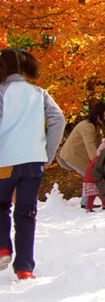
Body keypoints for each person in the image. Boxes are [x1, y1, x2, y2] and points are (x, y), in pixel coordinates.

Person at [0, 48, 65, 279]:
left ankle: (3, 247)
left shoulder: (2, 92)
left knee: (0, 206)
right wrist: (48, 153)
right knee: (26, 212)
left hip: (5, 162)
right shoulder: (39, 93)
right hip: (33, 162)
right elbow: (59, 119)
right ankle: (25, 267)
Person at [57, 101, 105, 208]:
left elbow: (98, 143)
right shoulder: (87, 127)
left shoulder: (95, 126)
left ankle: (86, 202)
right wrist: (97, 163)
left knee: (90, 176)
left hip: (80, 156)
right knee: (94, 175)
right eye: (104, 116)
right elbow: (90, 146)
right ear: (98, 114)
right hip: (72, 156)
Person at [82, 138, 105, 212]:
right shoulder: (99, 161)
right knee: (92, 195)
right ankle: (88, 207)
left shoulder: (96, 159)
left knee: (100, 192)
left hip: (92, 179)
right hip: (91, 180)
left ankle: (104, 204)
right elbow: (99, 170)